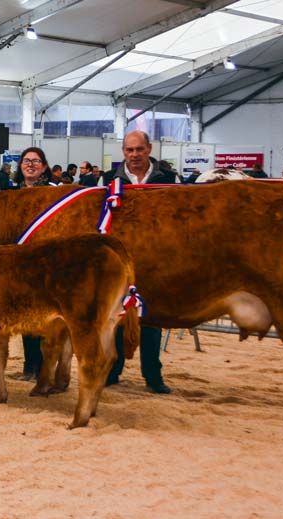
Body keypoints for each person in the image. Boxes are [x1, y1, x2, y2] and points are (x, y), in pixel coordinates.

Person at [101, 130, 176, 395]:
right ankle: (113, 371)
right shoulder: (109, 179)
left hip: (156, 258)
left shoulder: (167, 179)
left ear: (149, 149)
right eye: (129, 150)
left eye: (139, 150)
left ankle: (153, 376)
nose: (134, 155)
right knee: (118, 315)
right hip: (121, 258)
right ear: (123, 152)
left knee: (151, 317)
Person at [13, 147, 55, 380]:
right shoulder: (13, 193)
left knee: (46, 320)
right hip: (20, 264)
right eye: (26, 161)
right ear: (20, 166)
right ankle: (29, 368)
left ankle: (44, 370)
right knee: (26, 318)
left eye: (36, 161)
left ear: (44, 166)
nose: (30, 165)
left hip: (46, 264)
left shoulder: (53, 194)